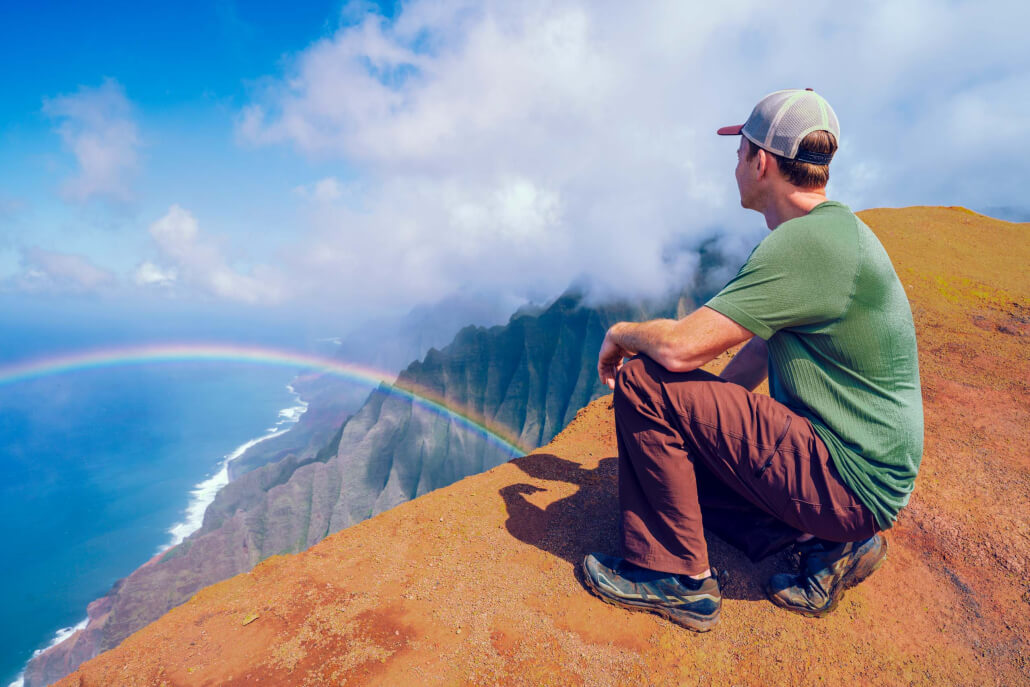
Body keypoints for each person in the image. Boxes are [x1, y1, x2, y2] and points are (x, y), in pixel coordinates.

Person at [581, 89, 923, 632]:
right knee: (691, 459)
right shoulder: (833, 234)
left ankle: (675, 578)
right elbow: (761, 349)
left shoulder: (805, 245)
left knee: (646, 379)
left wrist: (621, 333)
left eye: (739, 152)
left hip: (848, 481)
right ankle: (833, 542)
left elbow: (677, 347)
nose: (735, 165)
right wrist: (702, 421)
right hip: (864, 477)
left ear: (761, 162)